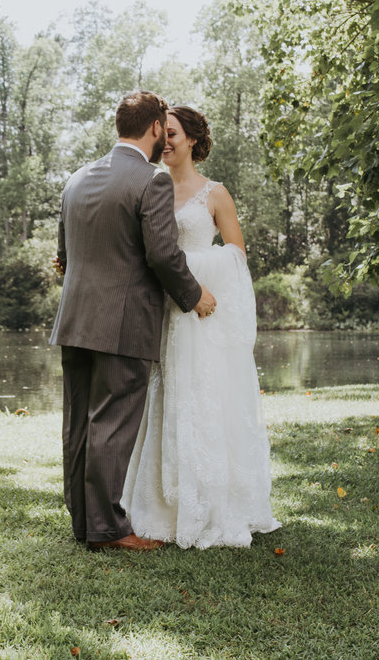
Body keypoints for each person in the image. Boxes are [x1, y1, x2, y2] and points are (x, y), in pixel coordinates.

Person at [50, 92, 217, 552]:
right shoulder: (152, 182)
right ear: (153, 130)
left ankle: (84, 523)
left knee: (79, 424)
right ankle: (109, 530)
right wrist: (194, 294)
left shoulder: (77, 179)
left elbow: (63, 257)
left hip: (75, 319)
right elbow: (163, 254)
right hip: (122, 323)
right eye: (163, 129)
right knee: (112, 424)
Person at [121, 105, 281, 549]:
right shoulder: (147, 188)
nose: (166, 141)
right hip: (161, 315)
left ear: (192, 139)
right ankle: (160, 504)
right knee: (164, 397)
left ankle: (210, 504)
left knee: (202, 399)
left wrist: (187, 274)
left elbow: (236, 256)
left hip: (199, 315)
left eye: (173, 134)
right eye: (162, 134)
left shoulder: (215, 193)